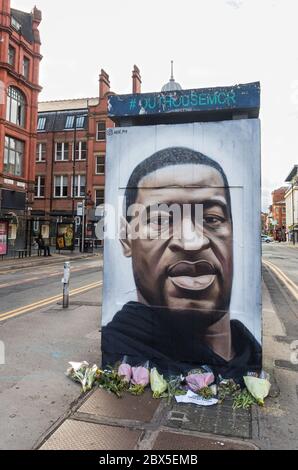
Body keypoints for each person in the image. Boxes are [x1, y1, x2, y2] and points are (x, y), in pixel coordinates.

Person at [102, 147, 262, 378]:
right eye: (161, 220)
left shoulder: (252, 355)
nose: (192, 242)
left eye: (211, 219)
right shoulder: (116, 352)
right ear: (127, 240)